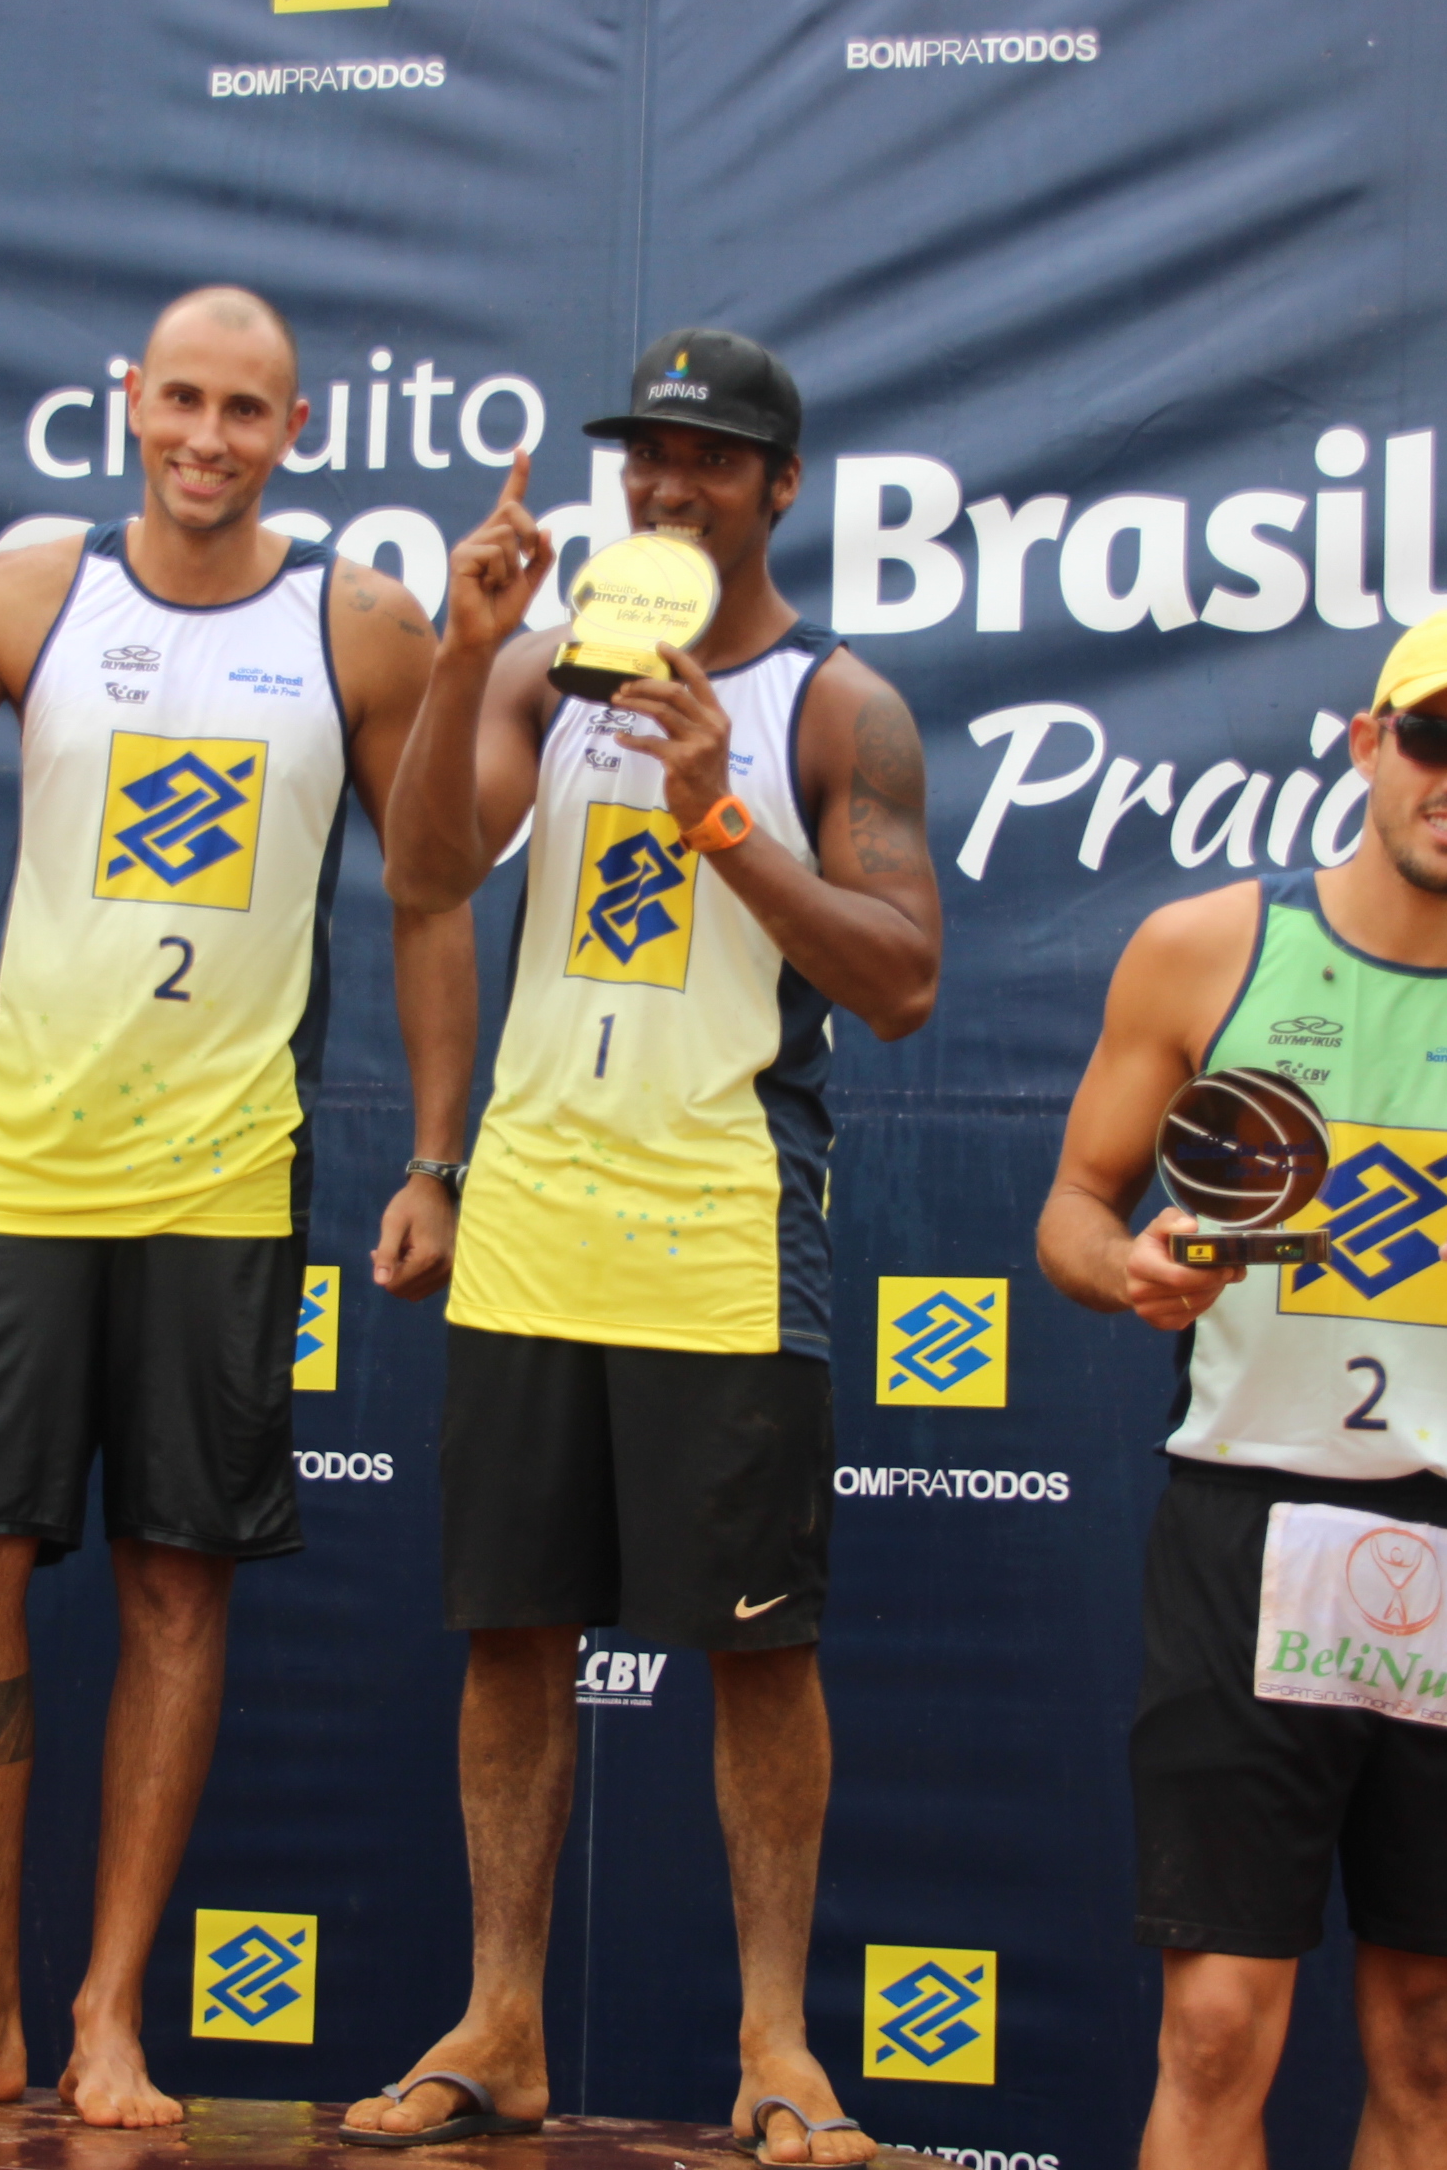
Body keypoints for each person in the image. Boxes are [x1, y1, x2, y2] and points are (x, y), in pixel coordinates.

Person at [0, 284, 476, 2126]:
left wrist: (438, 1153)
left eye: (248, 410)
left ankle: (107, 2010)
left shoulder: (358, 622)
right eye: (183, 401)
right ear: (128, 401)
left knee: (173, 1586)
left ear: (292, 432)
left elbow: (436, 893)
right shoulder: (28, 586)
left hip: (224, 1183)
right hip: (21, 1168)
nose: (209, 438)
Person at [344, 329, 940, 2166]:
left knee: (757, 1645)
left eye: (707, 456)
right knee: (513, 1633)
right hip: (532, 1209)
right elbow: (427, 868)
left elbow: (901, 975)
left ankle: (777, 2041)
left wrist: (720, 814)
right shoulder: (542, 665)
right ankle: (501, 2017)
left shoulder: (839, 703)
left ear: (777, 485)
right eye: (645, 454)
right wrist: (461, 651)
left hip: (721, 1223)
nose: (668, 482)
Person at [1034, 605, 1447, 2170]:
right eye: (1436, 738)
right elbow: (1070, 1209)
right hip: (1250, 1522)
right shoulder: (1209, 947)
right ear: (1367, 743)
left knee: (1444, 2049)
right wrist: (1134, 1270)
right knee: (1218, 2025)